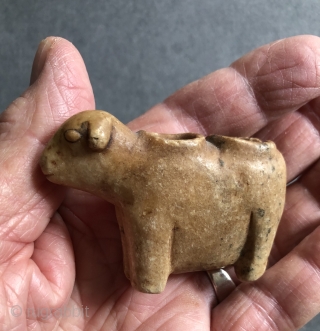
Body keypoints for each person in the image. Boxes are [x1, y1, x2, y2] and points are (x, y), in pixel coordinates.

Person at [1, 35, 319, 330]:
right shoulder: (135, 177)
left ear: (98, 146)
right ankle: (243, 264)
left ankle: (246, 264)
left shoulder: (146, 180)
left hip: (256, 171)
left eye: (69, 146)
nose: (49, 162)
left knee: (241, 237)